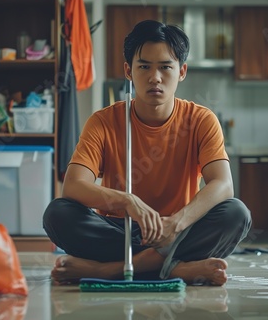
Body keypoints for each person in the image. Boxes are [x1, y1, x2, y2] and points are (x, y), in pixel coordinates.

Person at [43, 20, 251, 286]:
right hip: (121, 229)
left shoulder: (201, 120)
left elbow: (223, 185)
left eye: (166, 67)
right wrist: (128, 202)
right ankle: (175, 268)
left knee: (236, 214)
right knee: (58, 214)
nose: (155, 77)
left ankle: (110, 270)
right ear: (128, 71)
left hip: (177, 230)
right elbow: (72, 187)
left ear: (182, 71)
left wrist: (176, 223)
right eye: (144, 67)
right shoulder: (103, 121)